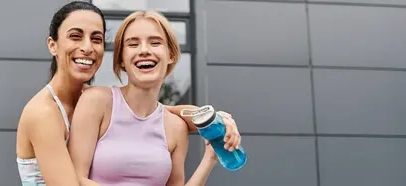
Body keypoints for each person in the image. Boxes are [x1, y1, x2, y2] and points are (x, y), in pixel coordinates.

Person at [16, 1, 241, 186]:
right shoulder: (44, 113)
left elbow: (154, 113)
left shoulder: (91, 98)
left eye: (96, 39)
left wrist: (216, 120)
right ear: (52, 45)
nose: (87, 47)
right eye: (75, 36)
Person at [68, 10, 224, 186]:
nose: (144, 50)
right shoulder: (96, 101)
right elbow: (74, 179)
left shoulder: (176, 127)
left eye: (155, 42)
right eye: (133, 44)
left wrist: (210, 158)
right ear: (121, 59)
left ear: (171, 55)